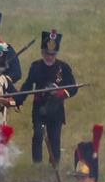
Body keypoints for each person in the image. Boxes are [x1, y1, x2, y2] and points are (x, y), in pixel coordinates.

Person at [26, 30, 77, 166]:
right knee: (37, 134)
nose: (49, 57)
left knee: (55, 139)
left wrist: (59, 92)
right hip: (39, 107)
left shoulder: (63, 67)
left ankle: (54, 165)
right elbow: (27, 86)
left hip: (56, 108)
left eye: (52, 54)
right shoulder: (35, 67)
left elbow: (73, 88)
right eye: (47, 54)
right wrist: (17, 101)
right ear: (42, 52)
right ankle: (37, 163)